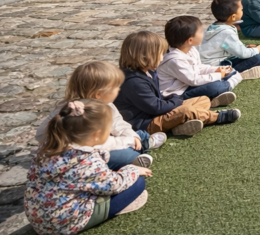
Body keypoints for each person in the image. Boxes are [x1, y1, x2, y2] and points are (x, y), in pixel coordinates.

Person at [25, 99, 151, 235]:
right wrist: (133, 170)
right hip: (64, 223)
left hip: (38, 218)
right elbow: (114, 185)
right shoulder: (86, 161)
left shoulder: (48, 147)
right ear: (96, 134)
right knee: (138, 183)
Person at [35, 61, 164, 172]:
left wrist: (130, 134)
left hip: (105, 142)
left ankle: (143, 142)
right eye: (116, 87)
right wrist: (127, 141)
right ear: (99, 94)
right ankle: (134, 157)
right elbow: (101, 144)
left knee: (138, 134)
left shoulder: (106, 104)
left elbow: (118, 122)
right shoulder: (78, 113)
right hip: (85, 155)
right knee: (126, 153)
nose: (119, 90)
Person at [114, 31, 232, 138]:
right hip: (146, 123)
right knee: (186, 110)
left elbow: (157, 102)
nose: (163, 57)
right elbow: (156, 108)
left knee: (204, 100)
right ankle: (216, 116)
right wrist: (176, 100)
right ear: (147, 56)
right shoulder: (133, 82)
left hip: (156, 112)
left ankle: (180, 124)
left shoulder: (148, 71)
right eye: (161, 54)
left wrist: (173, 100)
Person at [160, 16, 247, 106]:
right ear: (190, 40)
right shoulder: (175, 60)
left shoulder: (190, 49)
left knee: (230, 72)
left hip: (187, 84)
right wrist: (218, 75)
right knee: (216, 86)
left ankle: (215, 96)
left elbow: (198, 68)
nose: (203, 33)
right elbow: (194, 80)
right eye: (201, 32)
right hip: (176, 94)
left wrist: (216, 70)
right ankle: (230, 83)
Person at [199, 0, 260, 79]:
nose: (243, 11)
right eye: (241, 9)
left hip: (208, 64)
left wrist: (245, 48)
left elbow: (225, 46)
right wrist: (257, 50)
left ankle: (253, 64)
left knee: (255, 54)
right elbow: (242, 54)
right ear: (233, 17)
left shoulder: (215, 26)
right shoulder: (226, 33)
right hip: (219, 66)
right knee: (259, 57)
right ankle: (238, 74)